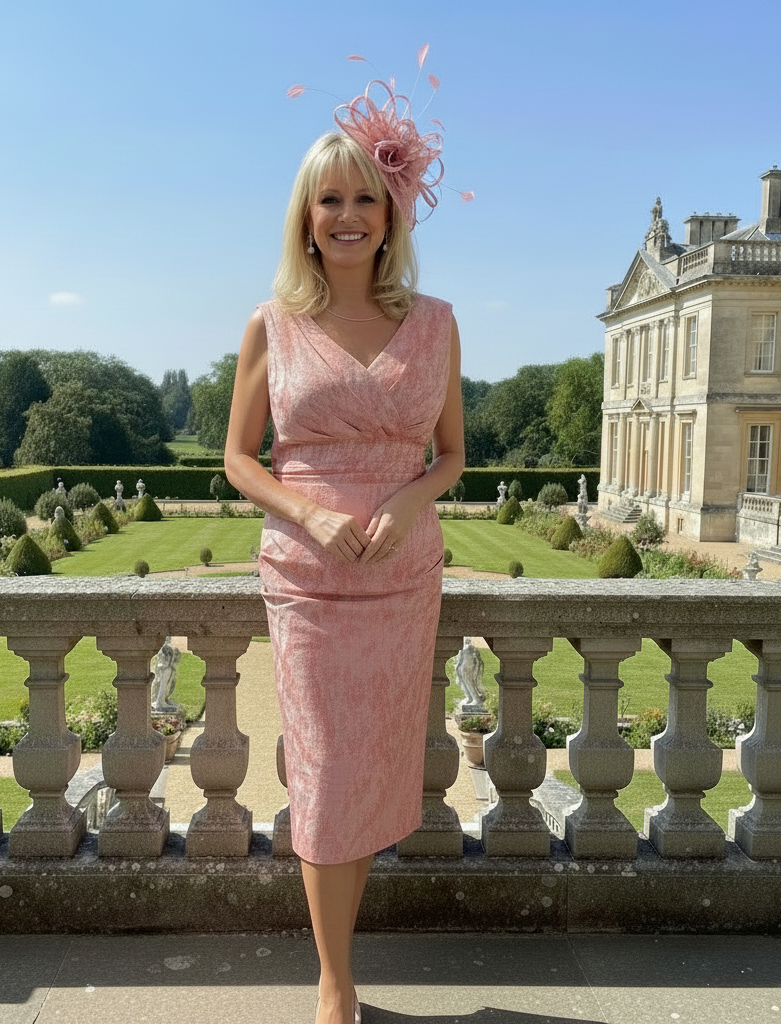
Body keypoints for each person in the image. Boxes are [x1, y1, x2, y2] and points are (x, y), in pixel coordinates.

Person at [225, 75, 465, 1024]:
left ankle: (339, 963)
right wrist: (310, 515)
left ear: (393, 211)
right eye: (332, 198)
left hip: (404, 575)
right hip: (309, 576)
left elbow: (453, 456)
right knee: (324, 772)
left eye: (368, 196)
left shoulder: (437, 321)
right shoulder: (271, 325)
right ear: (306, 216)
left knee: (366, 767)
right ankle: (335, 983)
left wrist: (406, 502)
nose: (350, 214)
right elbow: (240, 458)